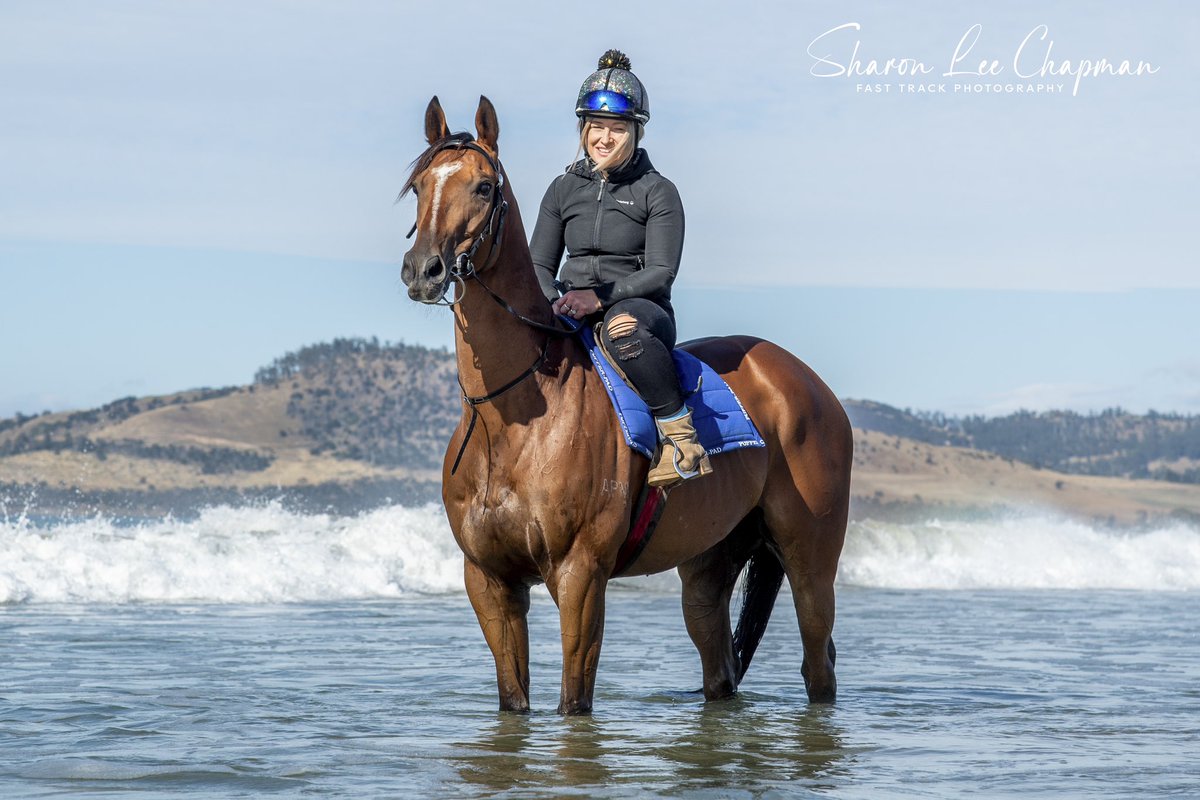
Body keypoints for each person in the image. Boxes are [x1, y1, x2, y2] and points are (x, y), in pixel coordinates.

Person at [530, 49, 712, 488]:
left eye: (617, 128)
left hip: (641, 310)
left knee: (622, 328)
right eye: (596, 127)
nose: (604, 138)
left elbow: (661, 271)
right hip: (570, 307)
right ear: (583, 129)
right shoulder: (562, 188)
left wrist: (597, 298)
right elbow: (538, 263)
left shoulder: (658, 191)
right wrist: (554, 302)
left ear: (635, 131)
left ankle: (681, 438)